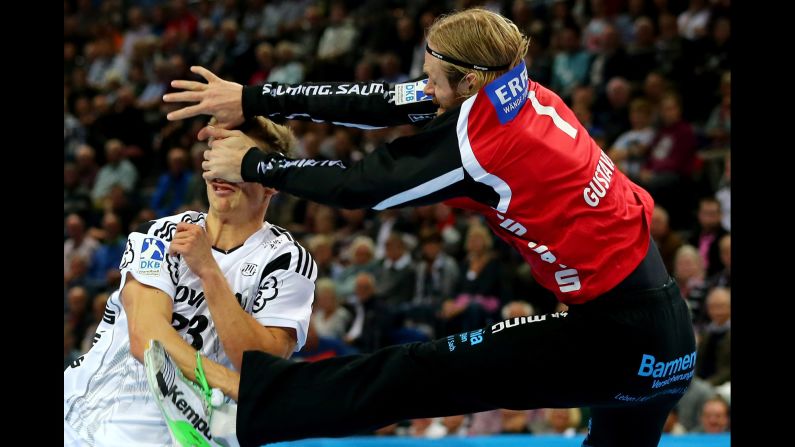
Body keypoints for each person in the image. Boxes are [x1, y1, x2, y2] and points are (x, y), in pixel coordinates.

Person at [159, 8, 695, 447]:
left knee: (418, 374)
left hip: (617, 340)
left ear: (466, 82)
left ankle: (235, 417)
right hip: (667, 336)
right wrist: (255, 99)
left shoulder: (482, 146)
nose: (425, 89)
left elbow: (359, 186)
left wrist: (253, 165)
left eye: (434, 80)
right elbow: (387, 100)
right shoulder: (522, 91)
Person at [63, 117, 317, 446]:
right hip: (87, 423)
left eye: (240, 161)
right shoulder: (159, 233)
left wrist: (208, 270)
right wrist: (236, 388)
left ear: (271, 183)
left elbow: (258, 364)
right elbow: (148, 340)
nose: (223, 171)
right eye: (218, 156)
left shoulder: (288, 261)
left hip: (182, 438)